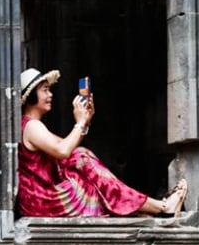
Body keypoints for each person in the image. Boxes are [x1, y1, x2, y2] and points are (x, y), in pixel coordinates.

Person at [15, 67, 187, 219]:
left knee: (83, 159)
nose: (50, 95)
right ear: (30, 97)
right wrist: (80, 123)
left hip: (40, 200)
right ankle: (162, 207)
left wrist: (85, 121)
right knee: (90, 173)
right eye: (45, 90)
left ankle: (145, 208)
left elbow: (67, 146)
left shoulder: (31, 125)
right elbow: (63, 151)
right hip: (43, 201)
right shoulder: (32, 126)